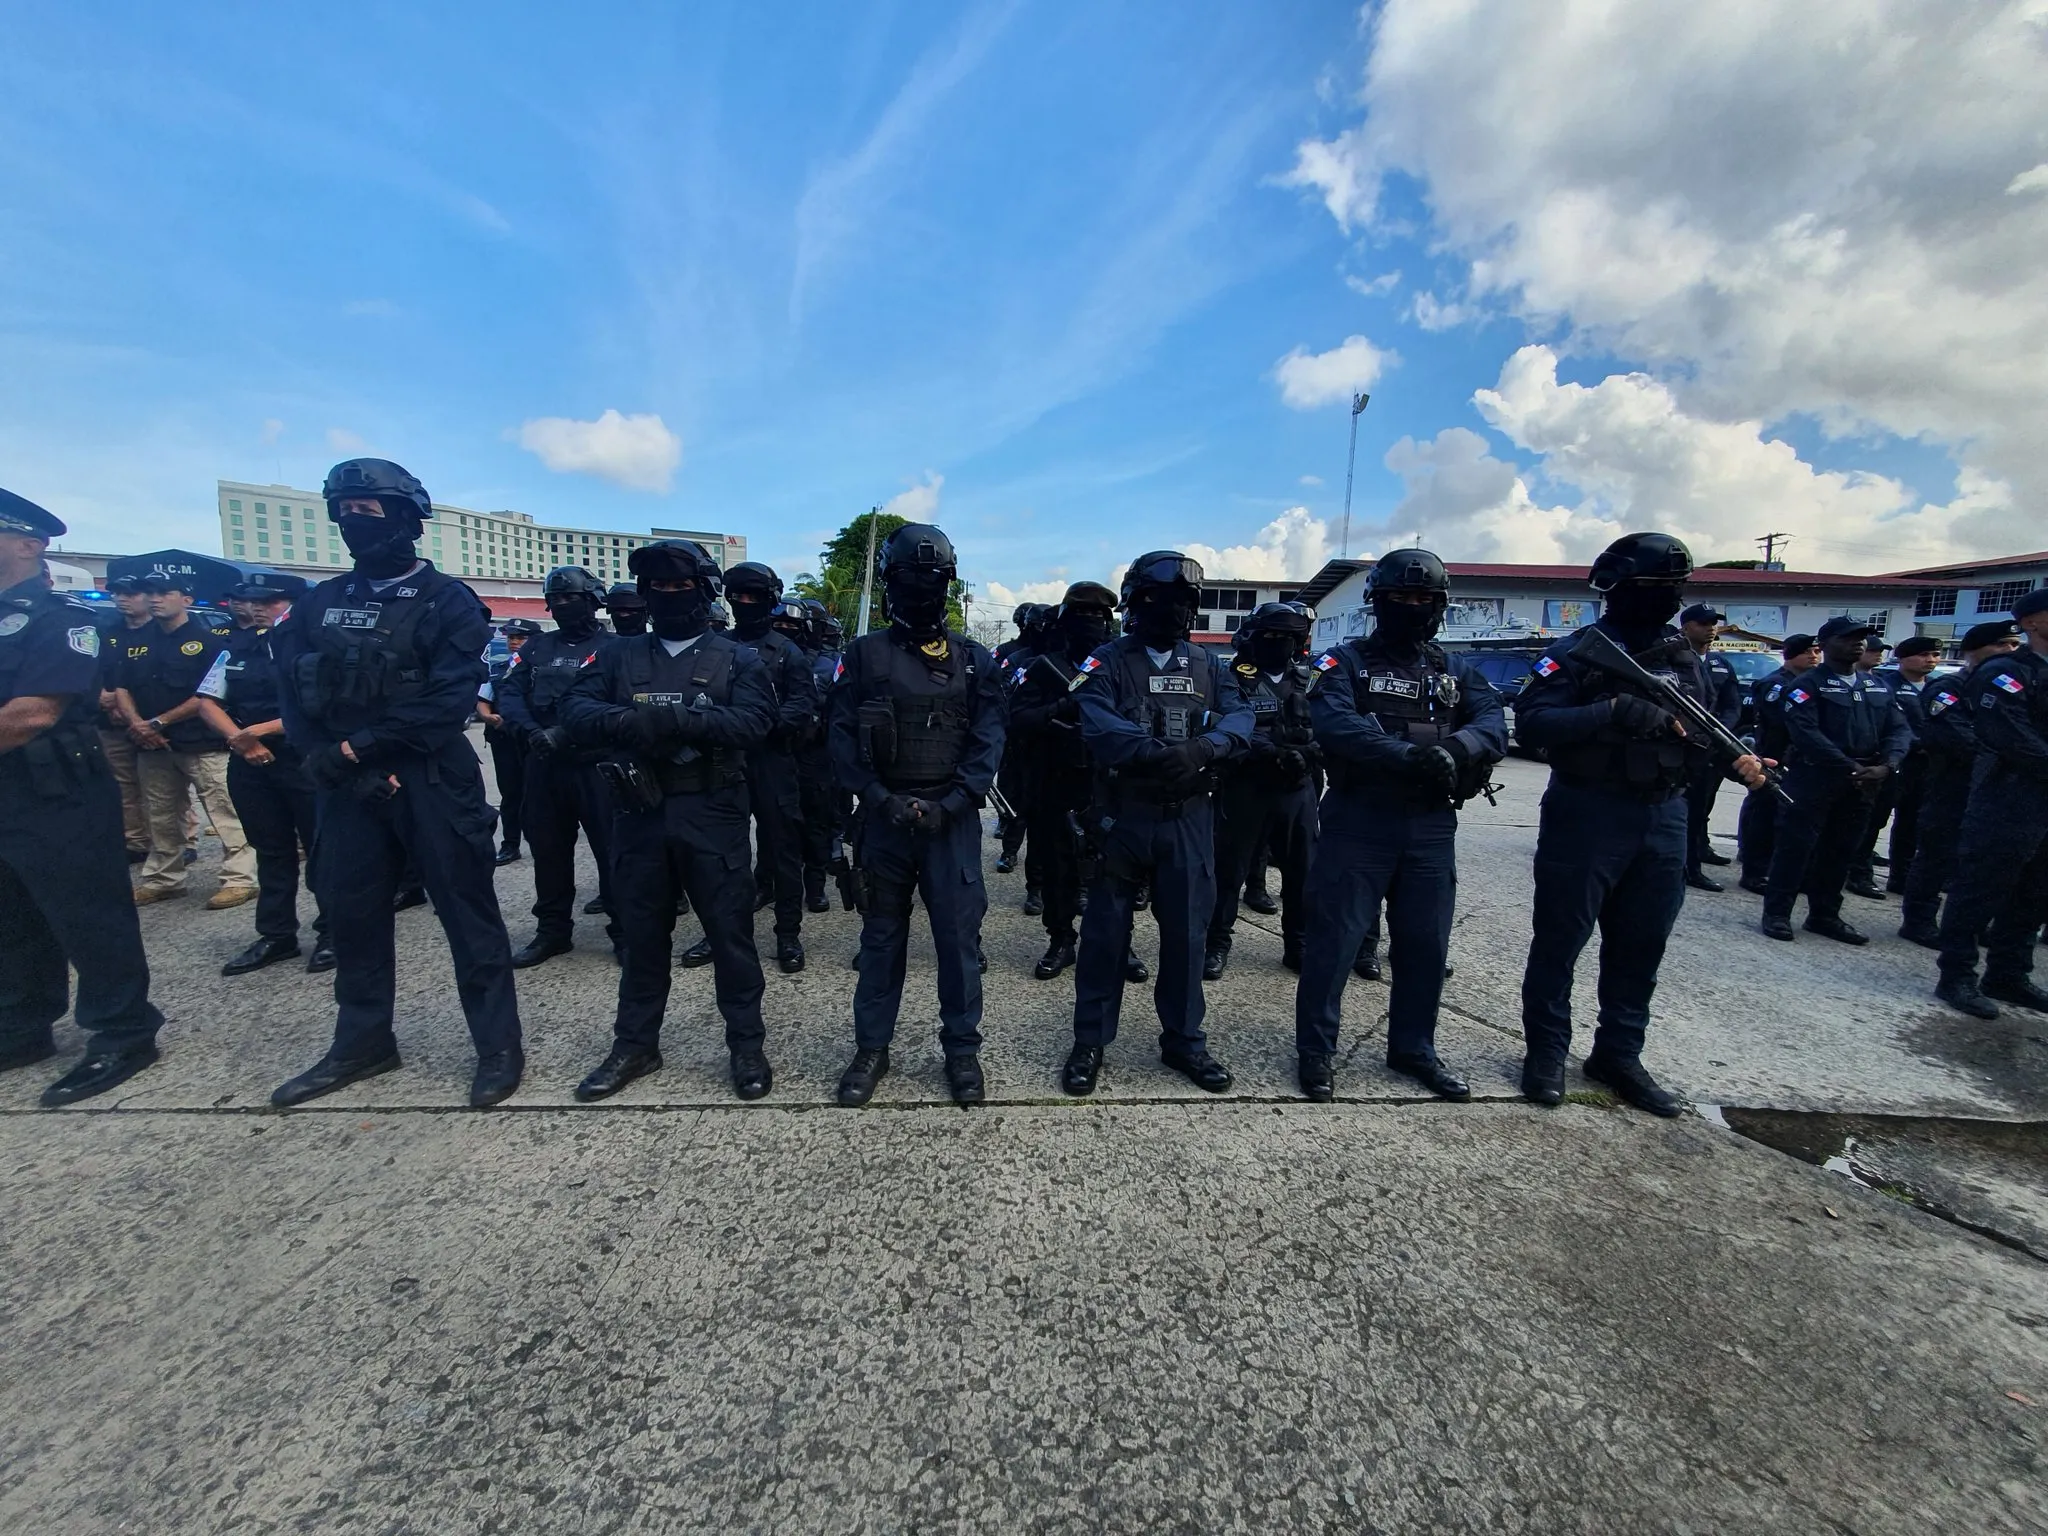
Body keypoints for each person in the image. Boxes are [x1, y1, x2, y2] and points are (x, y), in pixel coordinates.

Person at [268, 458, 524, 1109]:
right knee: (351, 915)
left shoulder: (448, 600)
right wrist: (326, 756)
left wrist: (358, 746)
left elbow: (448, 701)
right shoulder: (319, 603)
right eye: (344, 510)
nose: (355, 521)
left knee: (469, 917)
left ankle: (497, 1046)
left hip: (431, 779)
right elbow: (292, 691)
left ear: (409, 519)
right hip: (344, 786)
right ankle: (363, 1043)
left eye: (369, 509)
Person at [1514, 533, 1769, 1117]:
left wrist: (1739, 762)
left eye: (1674, 589)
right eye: (1653, 588)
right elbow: (1532, 722)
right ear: (1619, 589)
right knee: (1561, 942)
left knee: (1640, 947)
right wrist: (1612, 710)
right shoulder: (1577, 651)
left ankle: (1619, 1055)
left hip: (1663, 817)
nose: (1666, 599)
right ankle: (1546, 1053)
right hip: (1589, 812)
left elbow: (1700, 734)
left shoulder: (1685, 657)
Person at [560, 539, 778, 1101]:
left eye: (681, 586)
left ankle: (746, 1045)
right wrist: (637, 724)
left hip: (713, 810)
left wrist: (682, 720)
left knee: (730, 934)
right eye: (658, 587)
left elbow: (756, 723)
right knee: (641, 934)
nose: (670, 595)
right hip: (638, 811)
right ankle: (635, 1045)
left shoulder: (738, 658)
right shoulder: (614, 655)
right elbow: (576, 711)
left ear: (704, 591)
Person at [1293, 551, 1506, 1102]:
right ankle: (1316, 1051)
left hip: (1432, 828)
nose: (1414, 609)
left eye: (1425, 601)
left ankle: (1414, 1048)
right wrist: (1406, 756)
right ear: (1378, 604)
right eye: (1402, 600)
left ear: (1439, 608)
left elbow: (1492, 721)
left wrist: (1458, 747)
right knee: (1334, 944)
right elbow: (1335, 725)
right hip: (1358, 822)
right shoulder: (1343, 664)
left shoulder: (1454, 670)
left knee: (1424, 946)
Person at [1062, 550, 1253, 1097]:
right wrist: (1151, 752)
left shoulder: (1212, 666)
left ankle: (1185, 1040)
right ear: (1134, 604)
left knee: (1188, 937)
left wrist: (1203, 747)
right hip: (1124, 816)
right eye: (1157, 600)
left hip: (1189, 819)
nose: (1170, 611)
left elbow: (1241, 720)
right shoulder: (1106, 661)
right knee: (1104, 936)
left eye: (1182, 602)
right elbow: (1095, 723)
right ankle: (1090, 1041)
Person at [0, 488, 167, 1106]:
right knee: (10, 915)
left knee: (86, 912)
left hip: (55, 790)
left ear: (26, 543)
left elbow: (33, 712)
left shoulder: (61, 619)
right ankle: (20, 1027)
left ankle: (123, 1029)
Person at [828, 523, 1004, 1108]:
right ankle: (871, 1051)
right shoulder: (861, 655)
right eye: (909, 577)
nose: (921, 589)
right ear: (889, 583)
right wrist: (880, 800)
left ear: (949, 584)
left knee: (957, 945)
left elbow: (988, 741)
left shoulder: (976, 660)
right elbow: (840, 739)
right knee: (880, 942)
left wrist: (953, 803)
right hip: (885, 821)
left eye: (933, 578)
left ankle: (962, 1052)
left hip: (950, 824)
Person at [204, 571, 333, 975]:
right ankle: (277, 935)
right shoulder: (237, 646)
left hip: (303, 759)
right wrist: (240, 739)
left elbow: (326, 701)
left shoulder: (318, 644)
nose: (258, 608)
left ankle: (334, 930)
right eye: (253, 601)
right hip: (250, 762)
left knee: (323, 849)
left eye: (270, 601)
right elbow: (207, 699)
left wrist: (258, 732)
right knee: (271, 850)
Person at [1932, 590, 2048, 1019]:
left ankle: (2009, 973)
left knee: (2035, 892)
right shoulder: (2005, 672)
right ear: (2032, 623)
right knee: (1981, 887)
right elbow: (2010, 734)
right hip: (2009, 795)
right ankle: (1957, 974)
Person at [1759, 618, 1911, 944]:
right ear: (1825, 645)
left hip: (1864, 782)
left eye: (1862, 639)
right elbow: (1805, 732)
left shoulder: (1877, 685)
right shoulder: (1806, 685)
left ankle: (1824, 915)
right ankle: (1777, 912)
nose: (1858, 644)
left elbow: (1899, 729)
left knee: (1841, 850)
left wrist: (1889, 764)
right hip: (1814, 777)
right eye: (1849, 638)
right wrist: (1849, 766)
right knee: (1795, 848)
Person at [496, 566, 620, 967]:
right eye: (557, 600)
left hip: (595, 766)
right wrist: (532, 731)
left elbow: (621, 704)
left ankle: (624, 932)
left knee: (613, 852)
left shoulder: (618, 648)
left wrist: (566, 734)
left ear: (593, 601)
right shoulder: (535, 649)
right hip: (544, 766)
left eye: (573, 598)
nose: (564, 606)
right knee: (548, 853)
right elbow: (510, 694)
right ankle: (552, 932)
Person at [114, 571, 258, 908]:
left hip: (200, 742)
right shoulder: (136, 641)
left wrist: (158, 722)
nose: (155, 598)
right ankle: (164, 878)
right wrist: (138, 724)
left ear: (187, 600)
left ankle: (240, 879)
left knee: (225, 812)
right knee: (160, 816)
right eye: (149, 592)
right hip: (151, 744)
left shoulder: (207, 641)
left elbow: (208, 694)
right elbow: (120, 686)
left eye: (165, 592)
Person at [1006, 581, 1119, 980]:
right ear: (1065, 622)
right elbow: (1016, 721)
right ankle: (1061, 940)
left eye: (1098, 617)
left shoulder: (1118, 666)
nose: (1091, 624)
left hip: (1108, 786)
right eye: (1081, 616)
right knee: (1057, 870)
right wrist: (1061, 707)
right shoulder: (1041, 668)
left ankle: (1119, 946)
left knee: (1115, 871)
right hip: (1053, 783)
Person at [1204, 602, 1319, 979]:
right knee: (1229, 872)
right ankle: (1216, 944)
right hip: (1245, 787)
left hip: (1297, 789)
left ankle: (1298, 944)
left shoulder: (1309, 678)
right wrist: (1272, 751)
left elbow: (1332, 723)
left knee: (1301, 872)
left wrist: (1309, 752)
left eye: (1288, 638)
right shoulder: (1231, 676)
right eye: (1271, 637)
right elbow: (1225, 724)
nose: (1280, 644)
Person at [719, 562, 817, 974]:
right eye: (737, 596)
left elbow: (803, 703)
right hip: (725, 761)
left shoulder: (787, 651)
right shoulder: (715, 646)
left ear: (769, 600)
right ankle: (722, 933)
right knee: (724, 855)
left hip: (773, 759)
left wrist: (764, 725)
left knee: (783, 850)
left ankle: (788, 933)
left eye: (753, 597)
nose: (745, 604)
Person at [1898, 621, 2021, 946]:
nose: (2009, 652)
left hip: (1999, 789)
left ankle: (1974, 924)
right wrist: (2010, 752)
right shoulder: (1949, 689)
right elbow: (1957, 737)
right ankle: (1919, 920)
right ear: (1973, 650)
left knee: (1985, 862)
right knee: (1937, 854)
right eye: (2001, 645)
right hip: (1953, 785)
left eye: (2013, 645)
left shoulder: (2011, 689)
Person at [1856, 636, 1941, 898]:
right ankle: (1859, 873)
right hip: (1893, 763)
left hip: (1927, 766)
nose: (1930, 660)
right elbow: (1889, 727)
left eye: (1934, 655)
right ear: (1903, 658)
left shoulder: (1938, 687)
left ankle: (1901, 876)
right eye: (1923, 654)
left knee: (1913, 824)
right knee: (1873, 822)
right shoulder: (1884, 686)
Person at [1736, 633, 1820, 893]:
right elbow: (1779, 722)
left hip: (1799, 761)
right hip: (1773, 758)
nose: (1814, 656)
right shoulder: (1775, 684)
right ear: (1791, 654)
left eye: (1817, 651)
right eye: (1807, 652)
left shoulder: (1809, 683)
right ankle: (1754, 871)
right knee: (1763, 815)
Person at [1678, 604, 1744, 892]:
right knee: (1682, 808)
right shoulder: (1674, 659)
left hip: (1712, 745)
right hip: (1683, 746)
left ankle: (1698, 853)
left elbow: (1732, 703)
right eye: (1704, 623)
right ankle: (1686, 866)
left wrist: (1719, 731)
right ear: (1686, 627)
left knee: (1704, 804)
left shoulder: (1721, 664)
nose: (1711, 628)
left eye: (1714, 623)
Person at [95, 573, 159, 863]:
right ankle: (135, 841)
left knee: (160, 787)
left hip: (152, 721)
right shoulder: (105, 630)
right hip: (110, 721)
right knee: (123, 785)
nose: (122, 599)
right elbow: (86, 668)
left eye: (130, 594)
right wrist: (99, 696)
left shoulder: (163, 631)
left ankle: (181, 842)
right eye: (118, 594)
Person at [993, 603, 1054, 892]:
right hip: (1017, 741)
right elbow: (1000, 692)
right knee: (1015, 800)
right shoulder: (1012, 657)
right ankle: (1010, 851)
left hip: (1052, 746)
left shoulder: (1062, 659)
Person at [474, 618, 540, 864]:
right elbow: (483, 699)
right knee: (510, 793)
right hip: (504, 739)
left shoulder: (542, 667)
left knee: (538, 792)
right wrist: (487, 717)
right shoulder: (499, 669)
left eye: (521, 637)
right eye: (511, 637)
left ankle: (542, 840)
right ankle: (510, 844)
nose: (514, 642)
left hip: (534, 738)